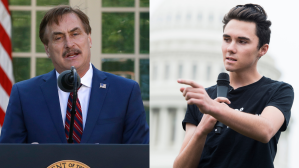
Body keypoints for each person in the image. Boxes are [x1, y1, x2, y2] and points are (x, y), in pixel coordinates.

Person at [0, 5, 149, 144]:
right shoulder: (24, 94)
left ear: (89, 39)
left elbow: (139, 155)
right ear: (47, 49)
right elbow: (8, 157)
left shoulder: (125, 92)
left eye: (75, 34)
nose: (69, 44)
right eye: (58, 38)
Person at [174, 4, 294, 168]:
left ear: (262, 50)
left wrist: (216, 109)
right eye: (226, 39)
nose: (230, 48)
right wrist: (201, 130)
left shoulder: (278, 91)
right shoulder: (204, 99)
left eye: (242, 41)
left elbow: (266, 130)